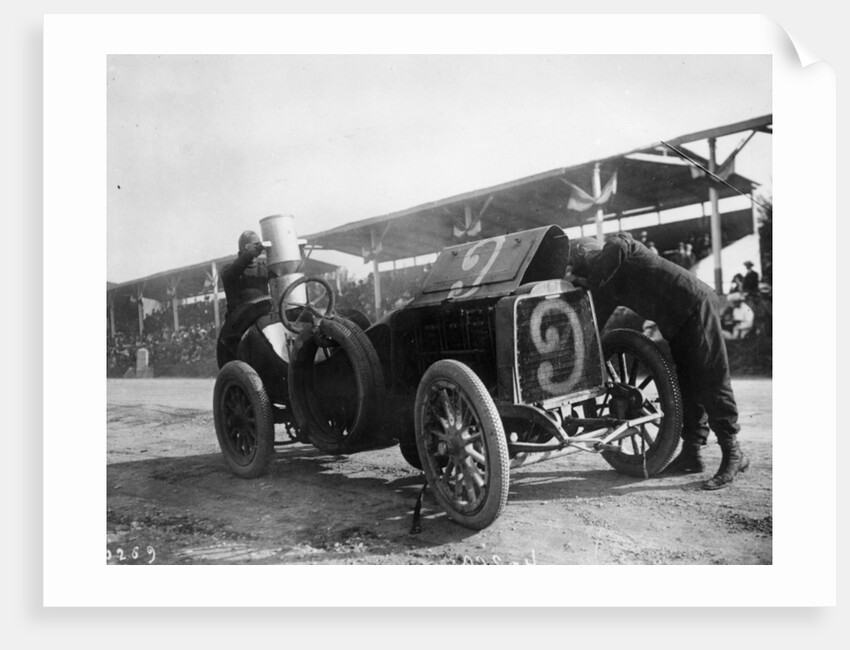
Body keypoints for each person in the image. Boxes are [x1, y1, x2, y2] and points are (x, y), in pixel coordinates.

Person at [566, 231, 749, 490]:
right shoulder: (607, 282)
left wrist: (586, 281)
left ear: (584, 254)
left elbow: (618, 246)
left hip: (695, 304)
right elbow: (594, 324)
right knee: (688, 385)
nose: (576, 272)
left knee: (711, 379)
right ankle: (691, 454)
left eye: (574, 265)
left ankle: (734, 453)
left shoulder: (619, 249)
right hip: (676, 321)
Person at [221, 230, 269, 318]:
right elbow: (229, 275)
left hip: (262, 318)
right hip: (238, 322)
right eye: (255, 246)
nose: (258, 249)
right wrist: (248, 255)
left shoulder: (264, 268)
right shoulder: (228, 269)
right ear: (246, 248)